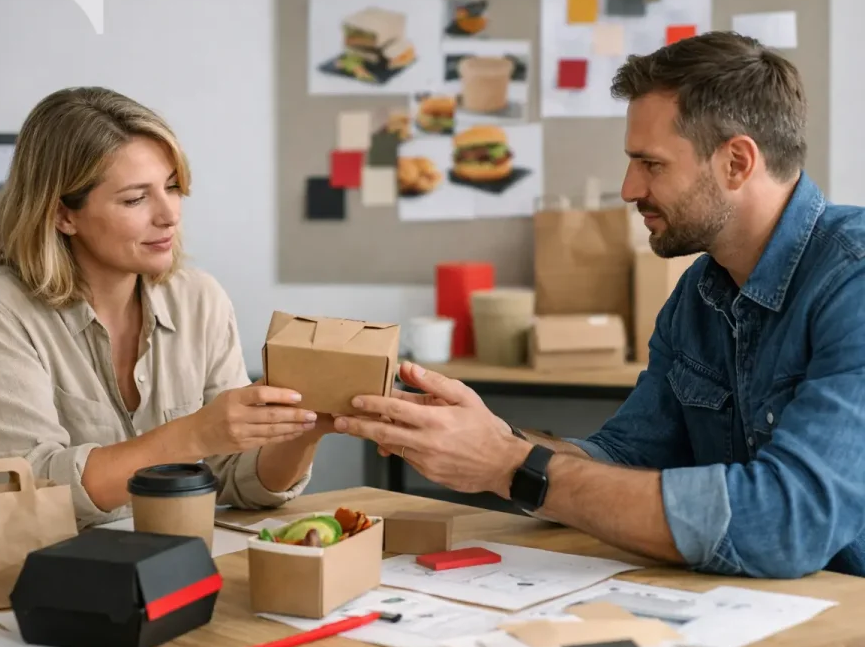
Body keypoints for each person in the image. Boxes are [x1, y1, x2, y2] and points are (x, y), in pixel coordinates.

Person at [335, 31, 865, 579]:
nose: (628, 187)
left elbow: (785, 522)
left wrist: (511, 466)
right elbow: (625, 455)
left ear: (736, 162)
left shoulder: (853, 281)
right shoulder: (701, 292)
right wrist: (488, 439)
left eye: (651, 164)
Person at [0, 87, 333, 529]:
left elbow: (235, 478)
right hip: (39, 575)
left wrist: (304, 429)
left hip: (173, 564)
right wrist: (194, 435)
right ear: (63, 215)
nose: (169, 214)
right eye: (135, 199)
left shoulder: (200, 299)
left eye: (171, 187)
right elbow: (30, 490)